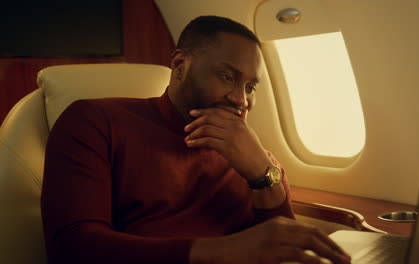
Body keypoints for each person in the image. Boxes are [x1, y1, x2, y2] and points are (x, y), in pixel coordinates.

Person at [41, 16, 351, 264]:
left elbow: (283, 252)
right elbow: (73, 248)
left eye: (250, 87)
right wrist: (223, 251)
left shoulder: (257, 160)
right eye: (227, 77)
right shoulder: (95, 121)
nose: (240, 100)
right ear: (179, 66)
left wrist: (263, 175)